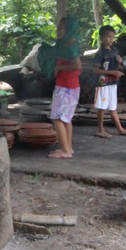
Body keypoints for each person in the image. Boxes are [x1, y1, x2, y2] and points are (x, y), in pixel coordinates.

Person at [38, 15, 86, 159]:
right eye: (59, 26)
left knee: (56, 118)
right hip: (72, 87)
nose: (59, 30)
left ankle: (65, 151)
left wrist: (59, 67)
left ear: (69, 30)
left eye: (62, 27)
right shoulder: (68, 44)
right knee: (66, 118)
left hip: (65, 87)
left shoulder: (69, 45)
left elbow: (77, 66)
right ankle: (68, 148)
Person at [92, 25, 126, 138]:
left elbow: (116, 67)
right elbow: (96, 70)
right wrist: (113, 73)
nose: (111, 39)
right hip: (103, 82)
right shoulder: (100, 54)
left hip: (113, 82)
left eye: (112, 37)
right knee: (102, 107)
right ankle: (100, 130)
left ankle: (120, 129)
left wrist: (119, 63)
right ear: (101, 38)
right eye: (108, 37)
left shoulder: (115, 50)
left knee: (112, 106)